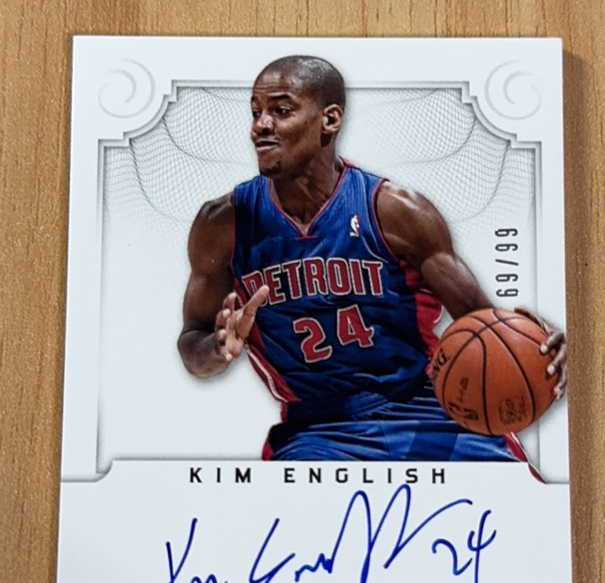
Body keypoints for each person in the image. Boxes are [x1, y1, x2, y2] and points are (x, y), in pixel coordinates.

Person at [177, 55, 566, 461]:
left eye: (281, 111)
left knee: (514, 495)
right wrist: (217, 348)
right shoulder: (222, 224)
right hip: (317, 431)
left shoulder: (397, 212)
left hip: (432, 410)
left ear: (330, 120)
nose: (260, 125)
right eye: (256, 112)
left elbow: (483, 324)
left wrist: (541, 351)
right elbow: (192, 345)